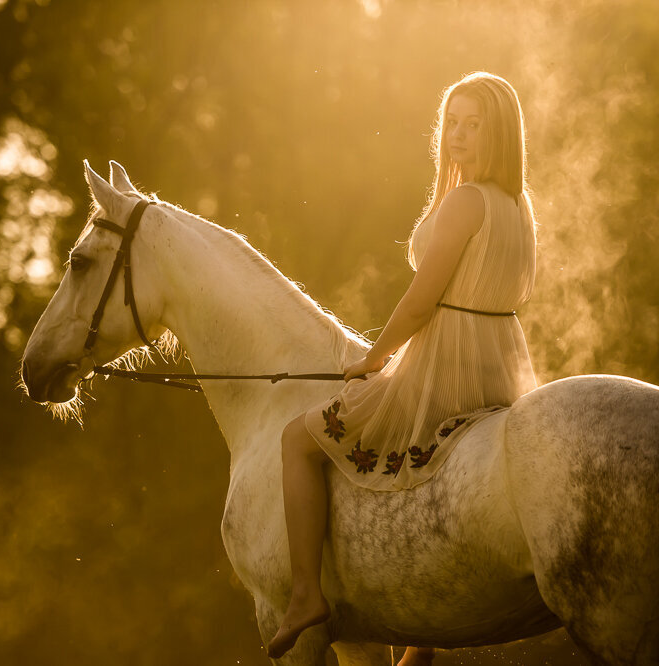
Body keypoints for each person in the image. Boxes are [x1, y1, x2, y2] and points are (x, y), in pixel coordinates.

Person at [266, 71, 539, 662]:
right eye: (452, 124)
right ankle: (418, 650)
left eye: (474, 125)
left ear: (500, 134)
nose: (458, 137)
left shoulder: (466, 201)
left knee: (298, 441)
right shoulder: (517, 205)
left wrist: (374, 357)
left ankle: (307, 594)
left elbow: (421, 300)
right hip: (498, 362)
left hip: (447, 361)